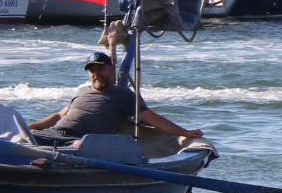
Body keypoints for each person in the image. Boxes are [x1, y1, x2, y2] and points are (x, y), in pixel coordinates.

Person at [29, 51, 202, 143]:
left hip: (80, 142)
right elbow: (60, 115)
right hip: (52, 134)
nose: (97, 74)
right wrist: (30, 127)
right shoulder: (81, 91)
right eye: (93, 70)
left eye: (101, 68)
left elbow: (151, 118)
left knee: (79, 147)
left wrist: (184, 132)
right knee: (17, 136)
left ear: (111, 68)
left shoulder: (124, 95)